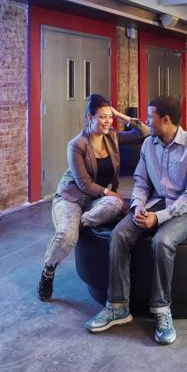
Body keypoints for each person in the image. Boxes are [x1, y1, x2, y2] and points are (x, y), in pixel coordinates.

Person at [85, 96, 187, 345]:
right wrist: (139, 206)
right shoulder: (148, 145)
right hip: (153, 203)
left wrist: (158, 218)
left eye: (150, 117)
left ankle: (162, 311)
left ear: (166, 120)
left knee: (161, 242)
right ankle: (118, 306)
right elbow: (141, 182)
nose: (146, 121)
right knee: (119, 235)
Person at [38, 94, 150, 301]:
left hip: (95, 201)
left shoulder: (112, 137)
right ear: (90, 117)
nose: (108, 121)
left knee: (115, 204)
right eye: (103, 117)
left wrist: (119, 115)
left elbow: (144, 132)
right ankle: (48, 271)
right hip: (72, 197)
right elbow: (83, 184)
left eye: (110, 117)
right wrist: (111, 192)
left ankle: (76, 226)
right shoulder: (77, 144)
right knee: (65, 236)